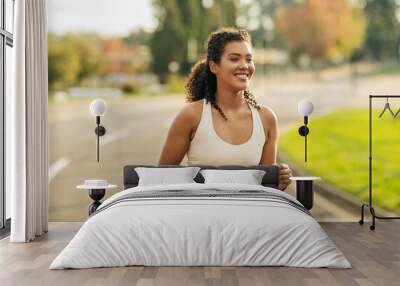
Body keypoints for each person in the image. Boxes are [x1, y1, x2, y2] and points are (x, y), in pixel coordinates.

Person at [158, 27, 292, 190]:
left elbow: (265, 189)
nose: (244, 66)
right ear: (214, 66)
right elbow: (161, 180)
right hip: (201, 214)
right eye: (234, 59)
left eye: (249, 59)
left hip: (247, 214)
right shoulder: (192, 115)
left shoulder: (266, 119)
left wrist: (278, 183)